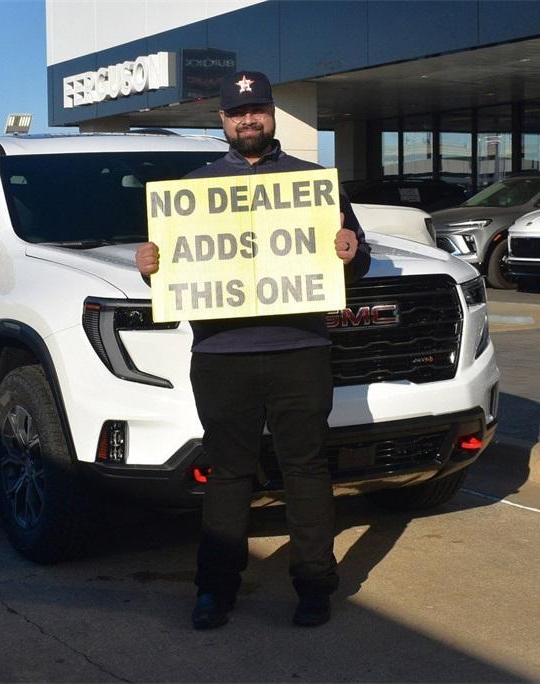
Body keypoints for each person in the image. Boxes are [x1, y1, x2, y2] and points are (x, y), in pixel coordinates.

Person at [135, 71, 371, 629]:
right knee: (228, 474)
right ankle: (215, 590)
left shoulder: (315, 185)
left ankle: (315, 585)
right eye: (238, 112)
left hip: (300, 350)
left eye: (258, 110)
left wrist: (350, 251)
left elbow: (354, 264)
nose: (249, 120)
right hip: (221, 355)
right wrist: (150, 268)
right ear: (221, 119)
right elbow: (173, 276)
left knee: (306, 471)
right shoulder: (189, 192)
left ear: (271, 116)